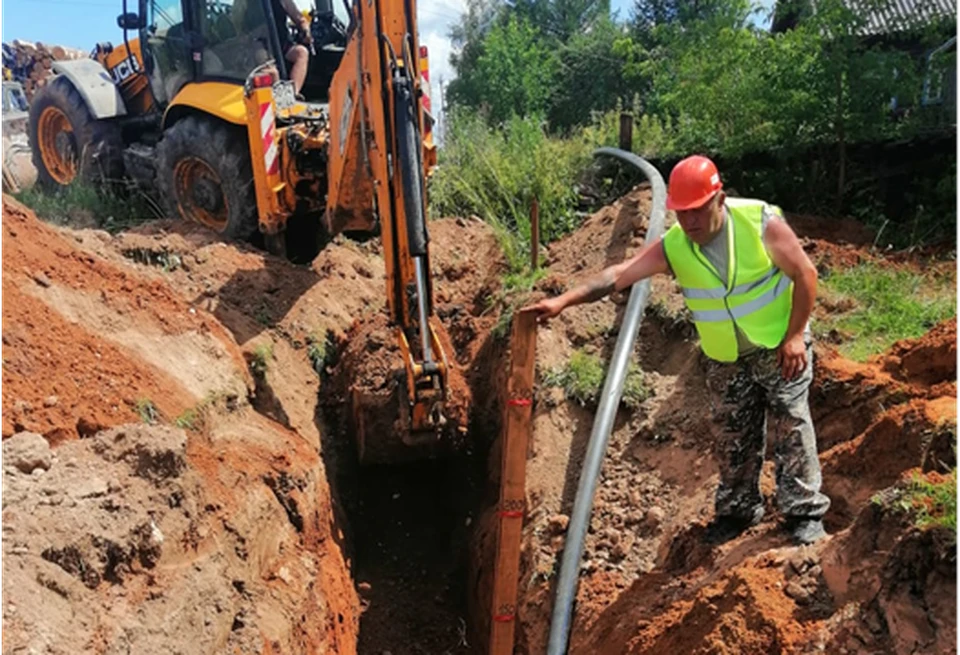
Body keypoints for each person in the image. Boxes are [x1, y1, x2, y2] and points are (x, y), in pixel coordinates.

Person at [521, 155, 831, 546]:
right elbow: (619, 275)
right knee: (733, 433)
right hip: (726, 358)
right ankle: (738, 511)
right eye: (681, 214)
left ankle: (804, 514)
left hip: (778, 345)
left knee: (792, 424)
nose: (690, 222)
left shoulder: (760, 223)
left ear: (719, 198)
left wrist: (795, 334)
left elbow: (805, 273)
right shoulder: (675, 246)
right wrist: (562, 301)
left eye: (698, 211)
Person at [271, 0, 313, 95]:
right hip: (260, 45)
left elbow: (300, 19)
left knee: (301, 52)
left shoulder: (283, 1)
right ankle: (277, 98)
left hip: (282, 45)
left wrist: (306, 31)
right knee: (272, 71)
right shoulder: (247, 3)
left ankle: (293, 94)